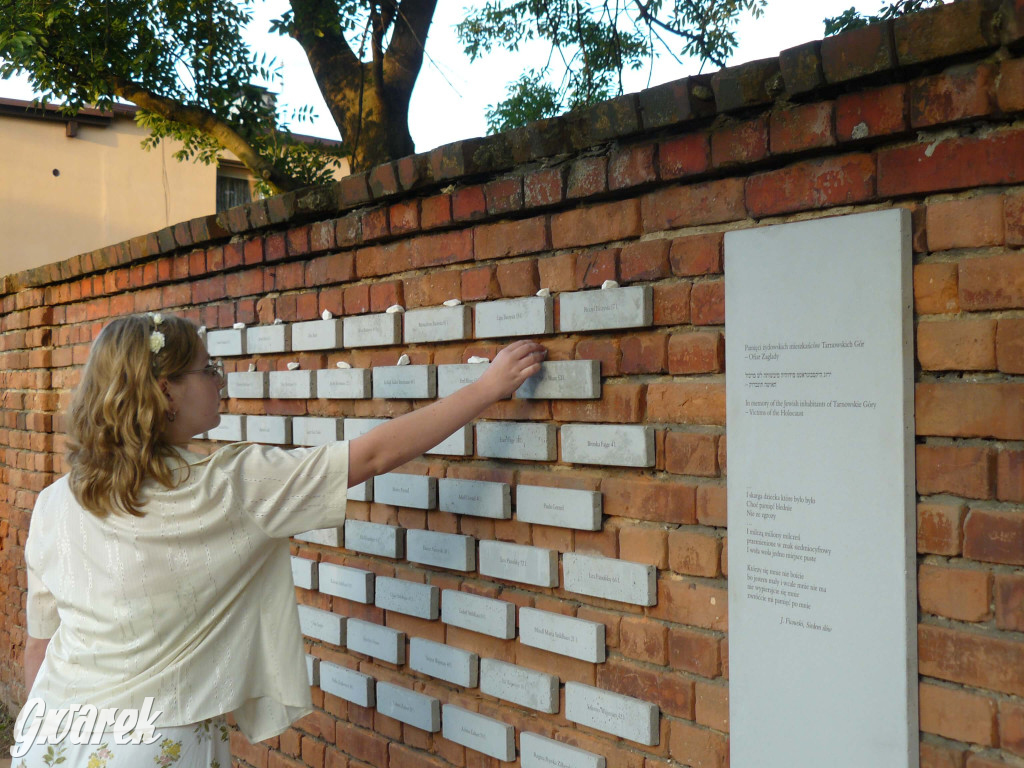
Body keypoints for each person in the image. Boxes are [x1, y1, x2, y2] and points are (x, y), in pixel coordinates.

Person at [15, 312, 545, 767]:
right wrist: (486, 388)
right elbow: (371, 457)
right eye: (207, 369)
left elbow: (39, 645)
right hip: (155, 745)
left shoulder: (56, 502)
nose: (221, 380)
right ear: (164, 390)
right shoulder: (232, 483)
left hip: (50, 739)